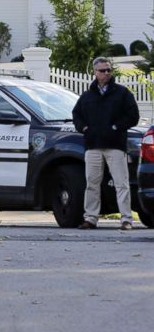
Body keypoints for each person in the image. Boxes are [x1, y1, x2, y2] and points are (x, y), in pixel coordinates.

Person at [72, 56, 139, 231]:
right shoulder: (87, 96)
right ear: (95, 72)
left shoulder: (122, 93)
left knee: (121, 183)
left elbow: (133, 115)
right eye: (103, 70)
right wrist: (84, 128)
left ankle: (126, 219)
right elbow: (76, 114)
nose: (107, 73)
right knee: (91, 183)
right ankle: (91, 218)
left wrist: (116, 127)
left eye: (109, 70)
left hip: (115, 145)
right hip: (93, 145)